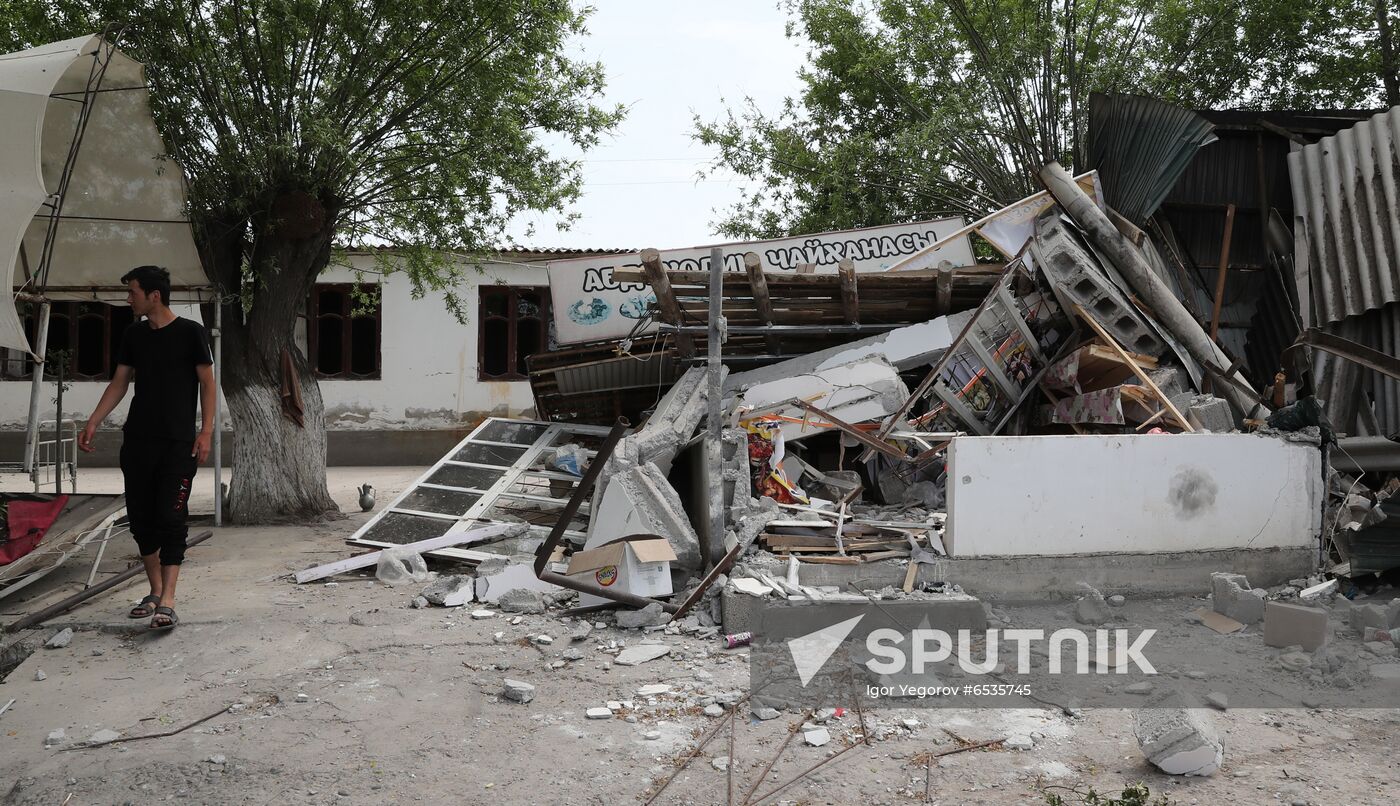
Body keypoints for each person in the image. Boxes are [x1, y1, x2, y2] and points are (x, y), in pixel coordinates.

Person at [79, 266, 215, 630]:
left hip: (178, 444)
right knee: (141, 520)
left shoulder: (191, 333)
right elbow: (120, 383)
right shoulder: (134, 335)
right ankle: (154, 592)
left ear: (154, 295)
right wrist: (94, 420)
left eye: (132, 292)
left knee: (171, 518)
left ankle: (168, 600)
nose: (128, 298)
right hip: (138, 441)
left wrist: (206, 432)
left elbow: (208, 383)